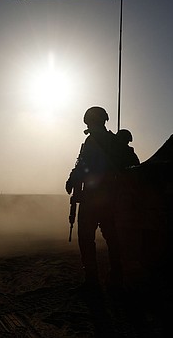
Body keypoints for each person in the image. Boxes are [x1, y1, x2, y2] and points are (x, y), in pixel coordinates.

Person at [65, 106, 127, 291]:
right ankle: (116, 277)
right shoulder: (114, 142)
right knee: (112, 238)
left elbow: (84, 165)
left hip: (93, 198)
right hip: (111, 197)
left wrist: (72, 179)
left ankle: (92, 281)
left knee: (86, 238)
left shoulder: (93, 141)